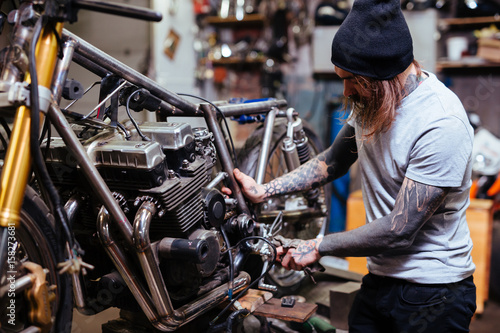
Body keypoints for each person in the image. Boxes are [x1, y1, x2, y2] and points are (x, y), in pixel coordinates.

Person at [223, 0, 477, 331]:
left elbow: (399, 230)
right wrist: (266, 189)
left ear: (382, 77)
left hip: (434, 294)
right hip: (381, 278)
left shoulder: (441, 123)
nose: (345, 89)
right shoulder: (375, 102)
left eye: (352, 79)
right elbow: (333, 160)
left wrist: (319, 246)